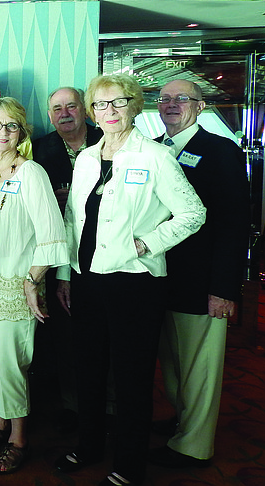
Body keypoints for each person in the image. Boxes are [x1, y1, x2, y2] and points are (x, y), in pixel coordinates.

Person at [54, 74, 206, 486]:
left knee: (132, 376)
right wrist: (67, 274)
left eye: (118, 103)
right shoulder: (86, 158)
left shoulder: (155, 156)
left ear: (135, 105)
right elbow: (73, 221)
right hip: (87, 282)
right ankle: (88, 445)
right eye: (100, 105)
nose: (109, 112)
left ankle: (129, 463)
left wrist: (145, 245)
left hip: (135, 283)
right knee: (88, 368)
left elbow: (194, 214)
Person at [0, 97, 68, 474]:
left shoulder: (32, 173)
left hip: (13, 285)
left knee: (11, 365)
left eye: (11, 126)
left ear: (20, 132)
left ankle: (18, 439)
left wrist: (31, 280)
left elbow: (53, 234)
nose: (2, 132)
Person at [148, 79, 249, 469]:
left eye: (181, 99)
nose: (172, 104)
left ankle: (193, 445)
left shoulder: (220, 150)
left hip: (204, 283)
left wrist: (224, 288)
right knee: (173, 364)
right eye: (165, 99)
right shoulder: (154, 148)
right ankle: (181, 420)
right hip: (161, 277)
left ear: (200, 105)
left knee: (200, 366)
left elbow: (233, 224)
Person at [31, 86, 103, 424]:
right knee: (65, 332)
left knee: (105, 333)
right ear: (49, 115)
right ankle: (72, 406)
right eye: (57, 108)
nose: (64, 113)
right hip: (58, 249)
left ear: (84, 110)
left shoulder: (107, 139)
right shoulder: (39, 147)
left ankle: (109, 406)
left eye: (71, 106)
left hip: (106, 248)